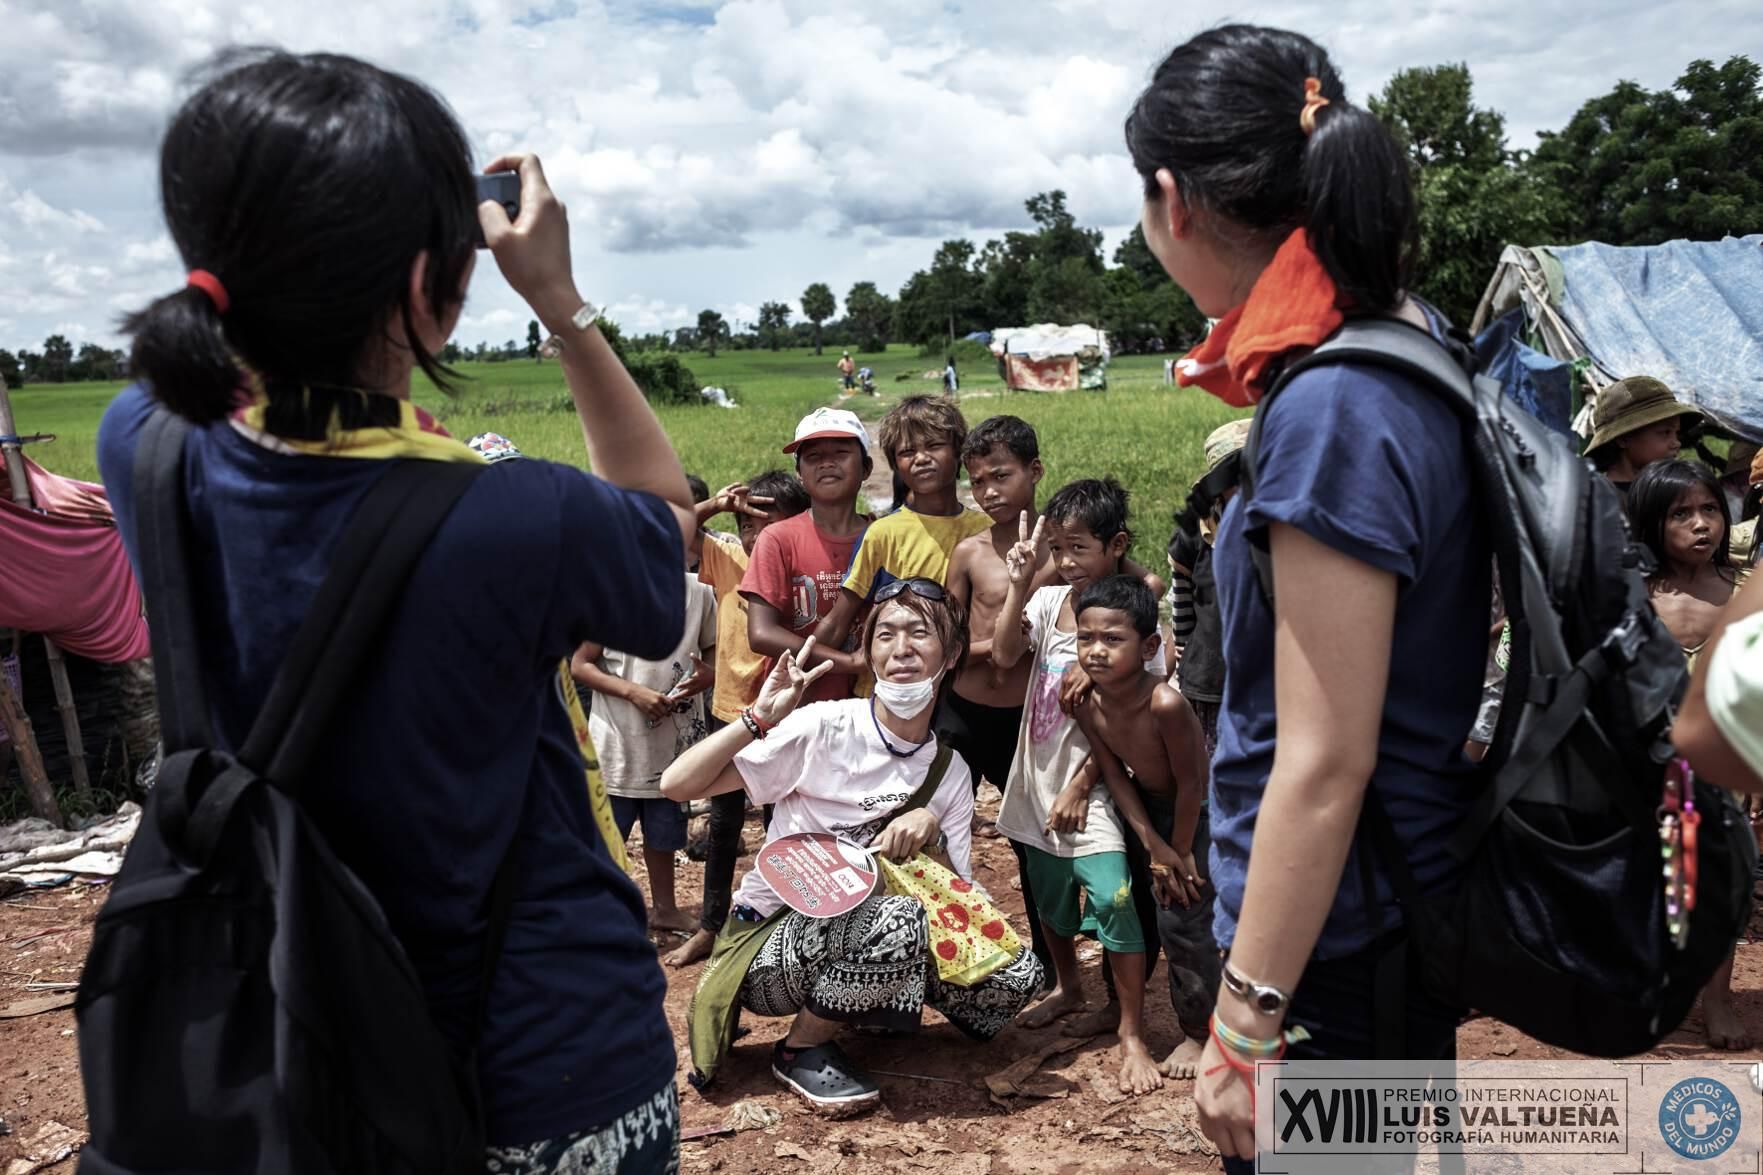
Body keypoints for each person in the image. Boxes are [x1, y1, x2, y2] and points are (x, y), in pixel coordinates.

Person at [97, 50, 696, 1173]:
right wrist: (559, 304)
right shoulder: (518, 516)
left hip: (274, 1033)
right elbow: (667, 523)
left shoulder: (144, 444)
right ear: (437, 288)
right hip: (532, 1054)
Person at [1124, 27, 1492, 1167]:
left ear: (1171, 200)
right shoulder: (1399, 337)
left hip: (1336, 941)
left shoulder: (1330, 407)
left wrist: (1243, 1019)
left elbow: (1324, 755)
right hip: (1372, 913)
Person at [663, 585, 1044, 1116]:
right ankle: (801, 1048)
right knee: (898, 920)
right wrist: (758, 719)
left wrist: (929, 826)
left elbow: (955, 898)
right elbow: (678, 784)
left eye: (920, 633)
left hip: (874, 924)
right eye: (885, 634)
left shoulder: (950, 772)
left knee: (1014, 979)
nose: (902, 648)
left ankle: (868, 999)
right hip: (771, 947)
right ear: (868, 652)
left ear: (952, 653)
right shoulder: (824, 726)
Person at [991, 479, 1164, 1096]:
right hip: (1035, 781)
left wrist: (1080, 785)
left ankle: (1131, 1032)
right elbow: (1006, 655)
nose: (1065, 563)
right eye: (1056, 549)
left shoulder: (1135, 617)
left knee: (1114, 897)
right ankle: (1068, 986)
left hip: (1094, 789)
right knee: (1051, 901)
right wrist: (1019, 585)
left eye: (1077, 548)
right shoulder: (1047, 602)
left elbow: (1134, 718)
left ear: (1115, 546)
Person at [1070, 575, 1216, 1079]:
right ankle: (1118, 1007)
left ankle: (1199, 1034)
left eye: (1113, 640)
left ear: (1149, 645)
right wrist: (1151, 845)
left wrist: (1178, 852)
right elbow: (1113, 772)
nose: (1096, 651)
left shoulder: (1165, 704)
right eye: (1085, 638)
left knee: (1184, 918)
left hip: (1194, 818)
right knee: (1134, 907)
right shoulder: (1087, 701)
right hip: (1146, 816)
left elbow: (1193, 784)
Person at [1629, 458, 1752, 1050]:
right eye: (1682, 514)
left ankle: (1718, 999)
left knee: (1722, 886)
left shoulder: (1741, 593)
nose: (1702, 524)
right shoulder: (1635, 596)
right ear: (1653, 524)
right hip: (1646, 769)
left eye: (1710, 510)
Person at [667, 471, 811, 967]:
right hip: (730, 711)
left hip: (785, 715)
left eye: (770, 526)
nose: (757, 538)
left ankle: (779, 925)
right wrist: (711, 506)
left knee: (783, 821)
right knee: (724, 823)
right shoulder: (727, 559)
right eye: (747, 527)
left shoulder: (804, 569)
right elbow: (671, 534)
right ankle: (711, 926)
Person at [573, 573, 717, 935]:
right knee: (608, 836)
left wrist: (708, 675)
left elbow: (714, 649)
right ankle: (597, 912)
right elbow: (580, 663)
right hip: (618, 746)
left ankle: (664, 908)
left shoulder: (700, 592)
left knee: (664, 832)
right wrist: (633, 692)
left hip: (673, 749)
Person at [810, 395, 991, 679]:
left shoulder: (985, 528)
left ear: (958, 453)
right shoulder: (882, 534)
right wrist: (802, 668)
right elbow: (837, 621)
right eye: (907, 452)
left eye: (934, 446)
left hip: (959, 688)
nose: (921, 458)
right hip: (887, 690)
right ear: (895, 464)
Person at [741, 408, 872, 703]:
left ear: (866, 468)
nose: (826, 463)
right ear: (799, 474)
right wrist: (848, 662)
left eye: (840, 453)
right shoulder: (778, 539)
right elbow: (761, 633)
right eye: (813, 457)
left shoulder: (883, 535)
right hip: (795, 703)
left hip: (869, 704)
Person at [1168, 419, 1250, 756]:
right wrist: (1183, 649)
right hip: (1210, 674)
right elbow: (1183, 600)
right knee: (1218, 762)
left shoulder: (1286, 530)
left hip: (1267, 675)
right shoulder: (1194, 538)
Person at [1583, 376, 1703, 506]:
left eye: (1676, 433)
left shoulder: (1670, 493)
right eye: (1665, 432)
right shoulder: (1601, 504)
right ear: (1623, 438)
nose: (1676, 443)